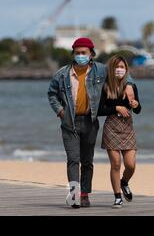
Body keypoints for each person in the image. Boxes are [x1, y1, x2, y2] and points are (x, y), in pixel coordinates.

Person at [47, 37, 107, 208]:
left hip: (90, 121)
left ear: (91, 54)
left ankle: (85, 194)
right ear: (73, 54)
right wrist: (59, 110)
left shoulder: (101, 71)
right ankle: (74, 194)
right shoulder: (62, 74)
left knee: (87, 160)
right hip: (69, 122)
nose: (80, 55)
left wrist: (129, 86)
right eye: (77, 53)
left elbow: (122, 72)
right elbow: (51, 94)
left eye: (84, 53)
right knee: (73, 159)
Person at [98, 55, 141, 208]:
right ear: (111, 69)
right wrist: (116, 107)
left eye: (122, 67)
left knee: (130, 165)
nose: (119, 70)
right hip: (111, 127)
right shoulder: (105, 87)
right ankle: (117, 197)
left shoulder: (131, 87)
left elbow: (138, 110)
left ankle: (124, 182)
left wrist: (135, 105)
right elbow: (99, 110)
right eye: (117, 67)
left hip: (127, 127)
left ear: (126, 69)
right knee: (115, 164)